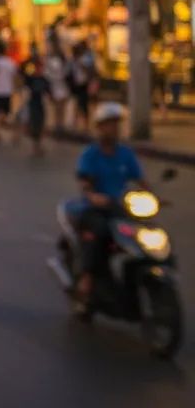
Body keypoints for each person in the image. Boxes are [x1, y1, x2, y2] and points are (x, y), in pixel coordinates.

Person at [71, 102, 144, 312]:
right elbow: (85, 180)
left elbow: (139, 178)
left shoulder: (125, 154)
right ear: (100, 127)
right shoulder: (91, 154)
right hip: (94, 209)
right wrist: (93, 195)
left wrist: (155, 195)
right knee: (99, 232)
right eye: (109, 124)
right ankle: (87, 278)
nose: (114, 129)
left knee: (144, 234)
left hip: (119, 207)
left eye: (116, 124)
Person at [22, 59, 51, 156]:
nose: (40, 69)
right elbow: (25, 90)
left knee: (41, 125)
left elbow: (48, 92)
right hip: (32, 104)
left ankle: (39, 145)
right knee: (34, 125)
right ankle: (35, 147)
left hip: (41, 104)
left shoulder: (44, 80)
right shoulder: (30, 79)